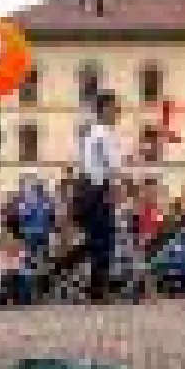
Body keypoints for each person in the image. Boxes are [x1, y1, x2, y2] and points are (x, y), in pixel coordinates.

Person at [76, 90, 128, 303]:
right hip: (97, 190)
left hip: (88, 189)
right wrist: (123, 186)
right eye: (115, 107)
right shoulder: (103, 133)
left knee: (95, 241)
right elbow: (114, 166)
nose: (118, 111)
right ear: (105, 108)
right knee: (104, 241)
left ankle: (93, 288)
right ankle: (97, 290)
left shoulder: (93, 132)